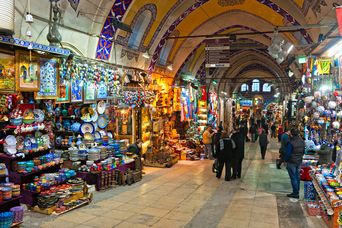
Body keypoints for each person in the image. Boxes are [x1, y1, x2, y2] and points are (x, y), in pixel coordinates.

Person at [284, 129, 305, 199]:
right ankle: (297, 191)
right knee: (297, 176)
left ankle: (295, 193)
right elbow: (303, 152)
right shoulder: (302, 141)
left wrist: (285, 160)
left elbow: (288, 153)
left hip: (292, 162)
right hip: (299, 161)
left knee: (293, 178)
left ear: (291, 134)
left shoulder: (291, 142)